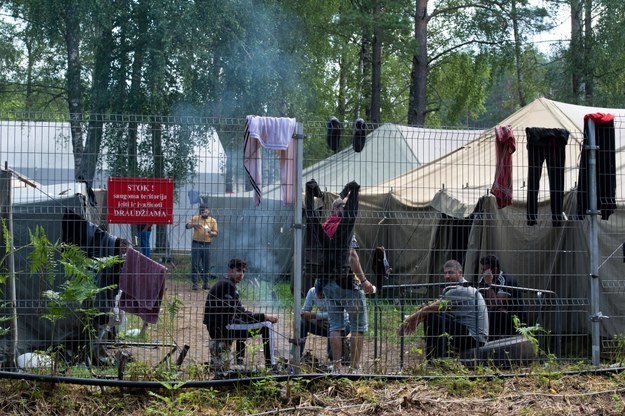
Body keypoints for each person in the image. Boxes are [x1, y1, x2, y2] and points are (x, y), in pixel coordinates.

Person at [304, 179, 375, 373]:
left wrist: (318, 285)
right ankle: (354, 367)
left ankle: (336, 366)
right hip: (346, 283)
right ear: (336, 210)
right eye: (342, 207)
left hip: (327, 284)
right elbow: (352, 256)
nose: (345, 210)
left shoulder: (325, 226)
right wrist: (364, 281)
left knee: (335, 325)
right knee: (358, 326)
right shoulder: (344, 230)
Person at [400, 259, 489, 360]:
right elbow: (437, 308)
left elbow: (430, 309)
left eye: (450, 272)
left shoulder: (460, 289)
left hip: (475, 339)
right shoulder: (456, 288)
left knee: (433, 317)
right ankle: (440, 356)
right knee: (435, 315)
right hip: (471, 335)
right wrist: (417, 319)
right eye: (445, 273)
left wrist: (409, 320)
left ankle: (434, 359)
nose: (447, 276)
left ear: (460, 273)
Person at [202, 258, 279, 371]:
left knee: (243, 323)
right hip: (223, 328)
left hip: (219, 327)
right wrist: (265, 317)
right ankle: (271, 365)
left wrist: (256, 317)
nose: (241, 274)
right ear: (229, 270)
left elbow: (240, 313)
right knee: (267, 325)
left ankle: (239, 361)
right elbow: (242, 314)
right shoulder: (227, 286)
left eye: (243, 271)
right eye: (238, 270)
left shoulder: (226, 284)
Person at [300, 282, 350, 363]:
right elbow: (304, 314)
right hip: (323, 324)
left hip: (343, 324)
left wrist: (315, 316)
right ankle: (297, 355)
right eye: (318, 293)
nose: (320, 296)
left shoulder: (334, 294)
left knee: (332, 324)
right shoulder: (311, 292)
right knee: (302, 323)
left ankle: (332, 360)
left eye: (322, 294)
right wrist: (317, 322)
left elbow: (335, 313)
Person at [478, 255, 524, 339]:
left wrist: (489, 284)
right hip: (497, 315)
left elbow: (494, 304)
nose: (482, 272)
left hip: (513, 319)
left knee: (496, 314)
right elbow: (480, 301)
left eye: (484, 270)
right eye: (481, 269)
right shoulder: (483, 279)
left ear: (495, 270)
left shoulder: (507, 280)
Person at [186, 203, 218, 290]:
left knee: (206, 264)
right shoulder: (196, 218)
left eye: (205, 211)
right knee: (195, 264)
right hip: (196, 243)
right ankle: (195, 283)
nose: (204, 212)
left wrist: (211, 233)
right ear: (200, 211)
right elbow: (187, 226)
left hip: (207, 244)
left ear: (209, 211)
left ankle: (206, 283)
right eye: (202, 211)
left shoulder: (213, 220)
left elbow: (216, 233)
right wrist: (194, 224)